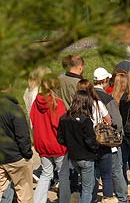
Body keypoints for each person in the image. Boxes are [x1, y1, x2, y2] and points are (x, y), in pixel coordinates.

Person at [30, 74, 70, 203]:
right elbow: (61, 125)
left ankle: (38, 201)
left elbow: (33, 121)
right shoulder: (57, 103)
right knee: (63, 175)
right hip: (58, 145)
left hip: (42, 144)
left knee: (45, 174)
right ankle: (64, 200)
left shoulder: (36, 102)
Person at [76, 79, 115, 203]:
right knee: (107, 175)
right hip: (101, 141)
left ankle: (90, 198)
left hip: (86, 144)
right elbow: (109, 119)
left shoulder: (78, 107)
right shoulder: (97, 103)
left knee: (91, 176)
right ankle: (107, 198)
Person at [57, 91, 99, 203]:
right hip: (86, 158)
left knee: (88, 184)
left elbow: (60, 139)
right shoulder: (86, 120)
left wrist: (71, 144)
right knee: (87, 188)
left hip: (73, 158)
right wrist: (97, 148)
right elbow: (90, 141)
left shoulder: (64, 118)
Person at [93, 67, 128, 203]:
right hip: (108, 141)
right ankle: (122, 198)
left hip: (91, 140)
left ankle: (93, 196)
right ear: (105, 81)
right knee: (116, 171)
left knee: (95, 172)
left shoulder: (86, 95)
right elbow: (118, 122)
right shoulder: (107, 98)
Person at [0, 93, 33, 202]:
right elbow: (23, 135)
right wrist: (27, 154)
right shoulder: (14, 109)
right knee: (25, 195)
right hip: (15, 157)